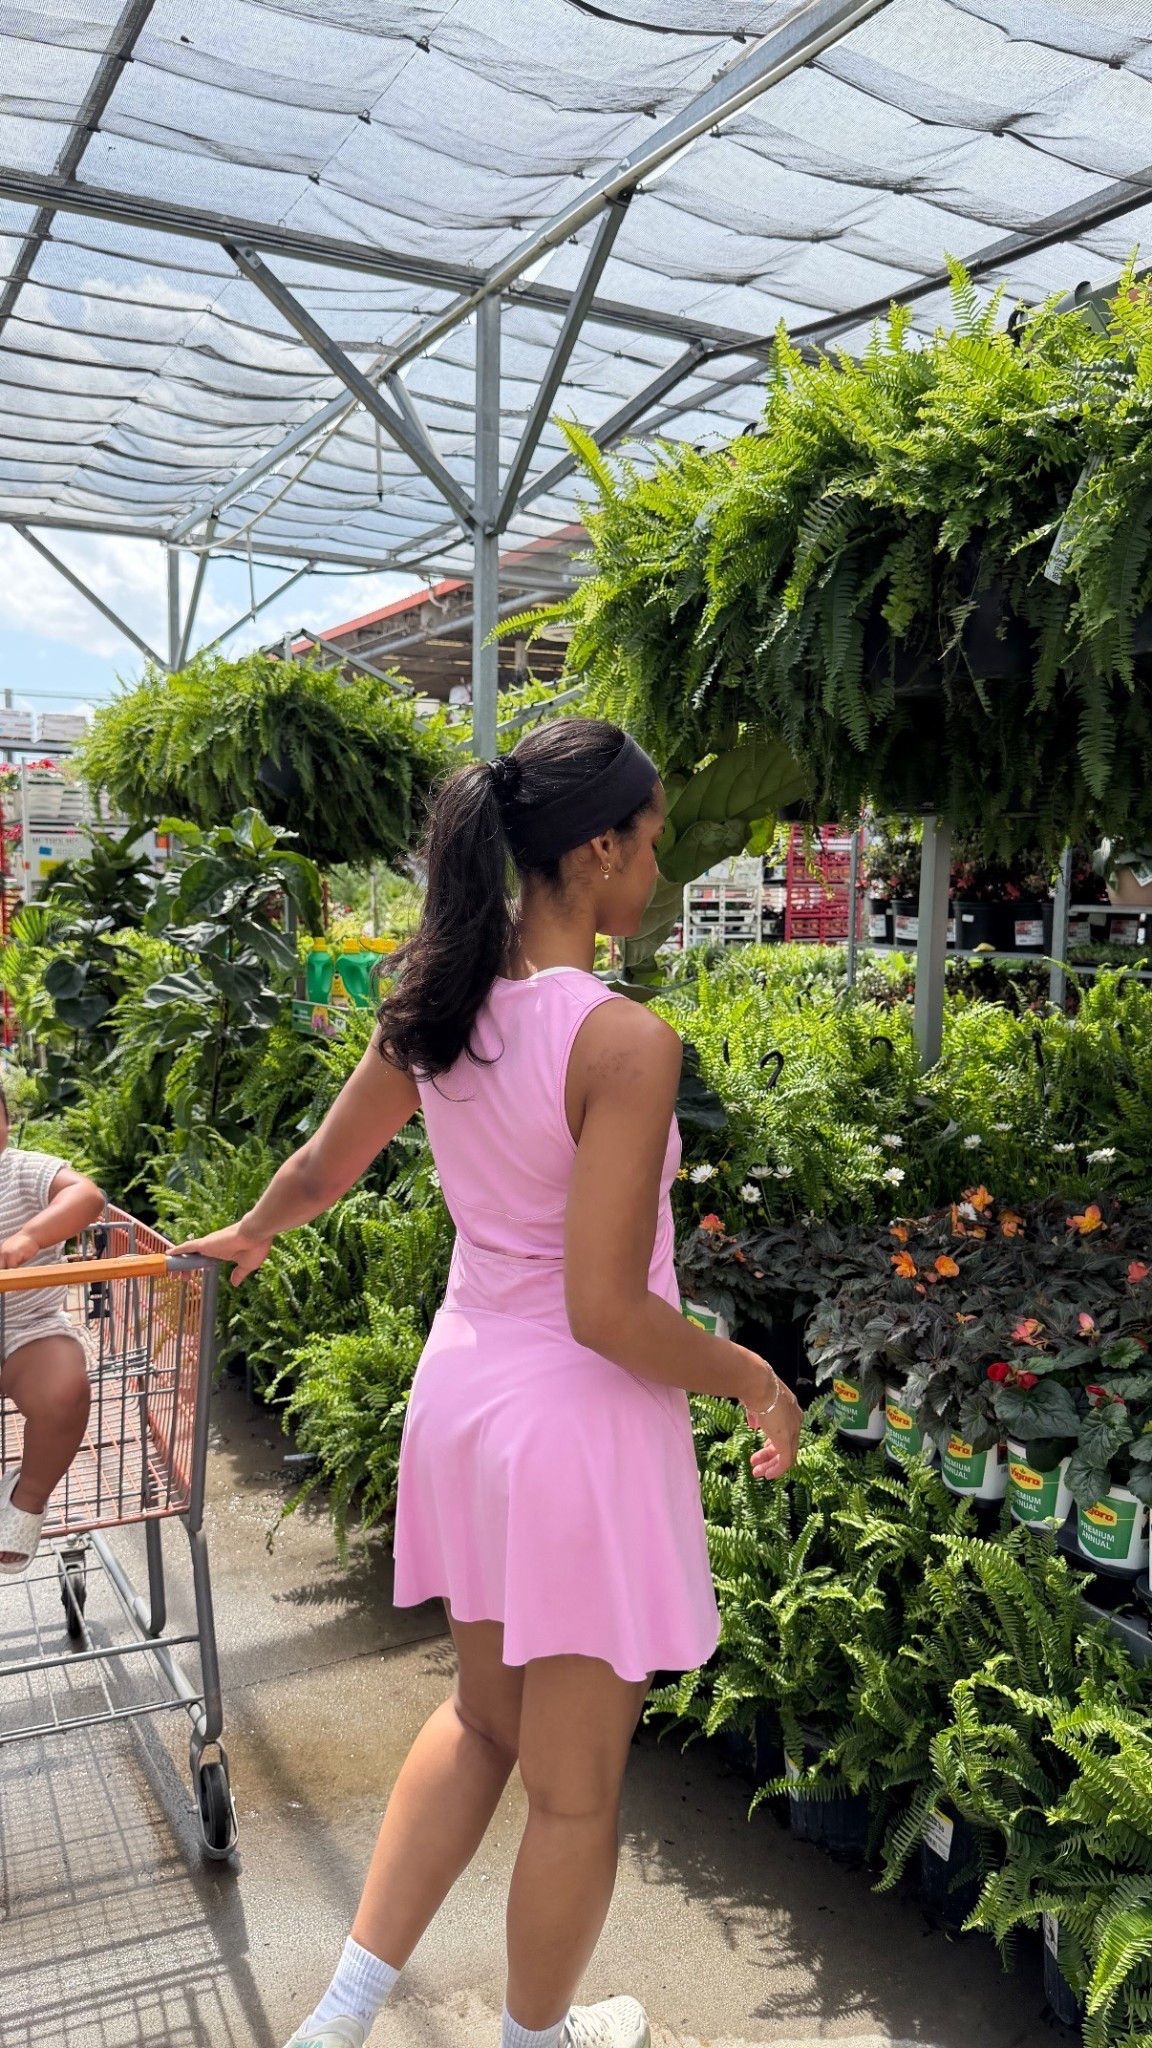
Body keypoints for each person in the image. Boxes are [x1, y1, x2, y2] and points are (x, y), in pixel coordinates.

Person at [180, 719, 803, 2048]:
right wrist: (754, 1377)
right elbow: (608, 1311)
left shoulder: (439, 999)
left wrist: (249, 1233)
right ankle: (534, 2040)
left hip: (463, 1401)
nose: (657, 864)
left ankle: (341, 2017)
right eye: (650, 840)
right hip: (575, 1429)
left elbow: (318, 1170)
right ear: (598, 852)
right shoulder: (622, 1041)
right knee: (575, 1791)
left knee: (479, 1721)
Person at [0, 1088, 104, 1571]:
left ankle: (28, 1499)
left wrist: (30, 1236)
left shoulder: (21, 1170)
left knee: (65, 1385)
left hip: (29, 1328)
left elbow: (86, 1196)